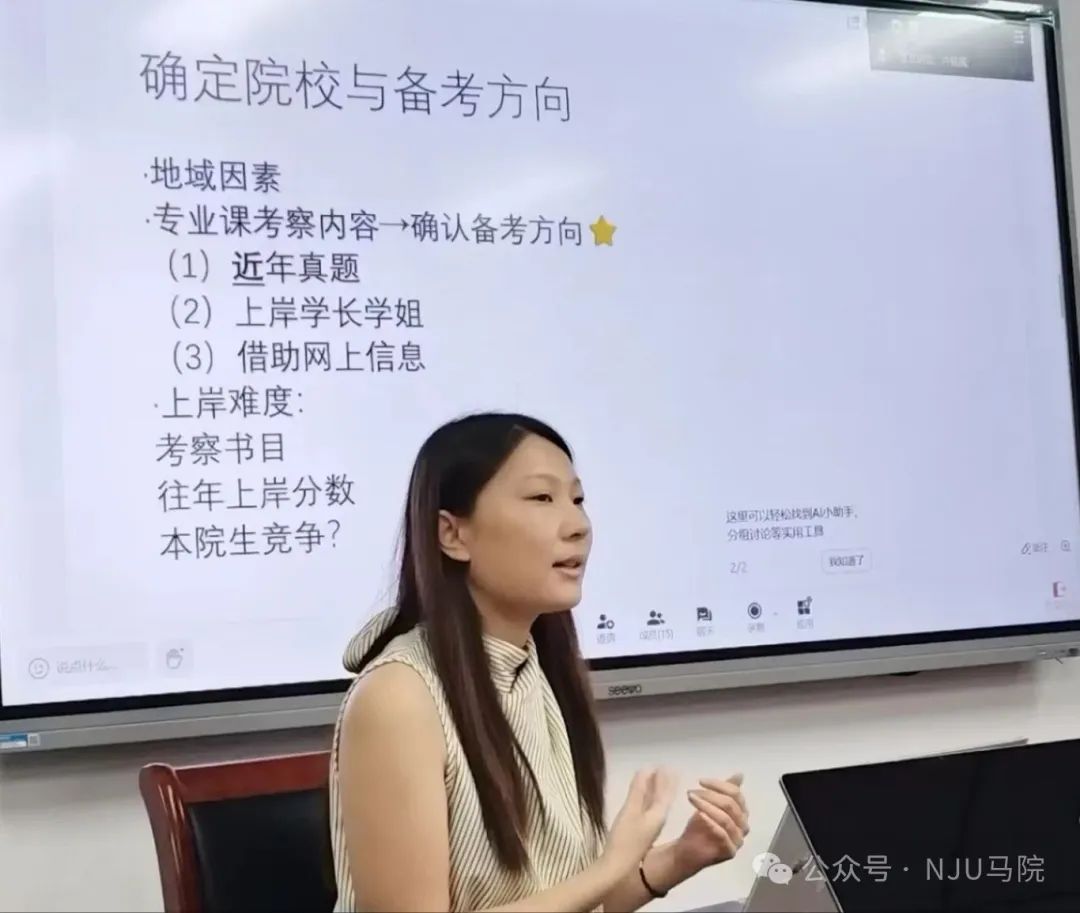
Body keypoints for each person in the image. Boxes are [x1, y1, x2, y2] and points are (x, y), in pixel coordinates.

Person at [329, 412, 750, 912]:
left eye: (577, 500)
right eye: (542, 498)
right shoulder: (398, 698)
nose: (578, 526)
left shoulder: (535, 669)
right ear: (452, 534)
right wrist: (612, 864)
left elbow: (570, 898)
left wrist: (681, 856)